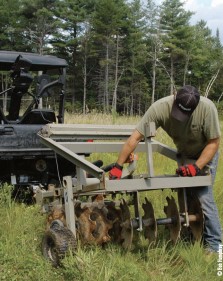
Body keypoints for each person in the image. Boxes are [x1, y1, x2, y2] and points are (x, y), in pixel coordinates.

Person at [109, 85, 222, 253]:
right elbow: (135, 138)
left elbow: (214, 142)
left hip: (205, 155)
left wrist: (196, 167)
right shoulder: (159, 108)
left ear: (195, 107)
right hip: (184, 154)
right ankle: (189, 234)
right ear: (174, 96)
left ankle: (215, 246)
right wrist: (118, 166)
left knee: (203, 197)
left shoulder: (207, 108)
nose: (180, 118)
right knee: (185, 195)